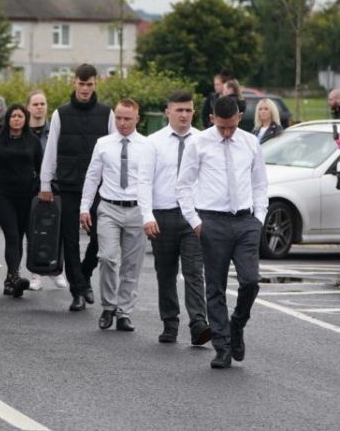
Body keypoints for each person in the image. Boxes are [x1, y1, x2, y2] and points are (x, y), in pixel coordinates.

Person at [177, 95, 268, 369]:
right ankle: (223, 346)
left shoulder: (250, 143)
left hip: (245, 222)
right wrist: (195, 221)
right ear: (212, 119)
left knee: (250, 281)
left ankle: (237, 324)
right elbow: (183, 185)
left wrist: (259, 218)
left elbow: (260, 183)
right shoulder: (198, 143)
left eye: (231, 126)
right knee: (214, 286)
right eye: (221, 127)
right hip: (212, 222)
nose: (227, 132)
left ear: (239, 117)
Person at [38, 63, 115, 311]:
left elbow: (113, 150)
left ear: (95, 84)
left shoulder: (107, 114)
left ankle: (84, 274)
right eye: (81, 84)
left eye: (89, 84)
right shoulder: (61, 113)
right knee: (69, 240)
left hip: (99, 188)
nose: (84, 88)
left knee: (99, 238)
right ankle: (78, 291)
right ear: (75, 83)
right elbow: (51, 150)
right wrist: (45, 183)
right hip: (68, 185)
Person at [138, 90, 211, 345]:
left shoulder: (203, 141)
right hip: (163, 215)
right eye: (179, 110)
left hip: (193, 217)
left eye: (189, 110)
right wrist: (147, 215)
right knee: (166, 273)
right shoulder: (153, 142)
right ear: (167, 111)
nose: (184, 115)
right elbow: (144, 181)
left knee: (194, 271)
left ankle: (198, 324)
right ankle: (170, 322)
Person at [80, 99, 152, 332]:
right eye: (118, 118)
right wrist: (84, 207)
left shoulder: (147, 146)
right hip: (109, 208)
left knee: (131, 265)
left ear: (137, 119)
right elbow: (92, 176)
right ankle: (108, 306)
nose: (122, 123)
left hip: (136, 210)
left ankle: (124, 312)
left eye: (127, 119)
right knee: (108, 257)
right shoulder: (103, 144)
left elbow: (151, 182)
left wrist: (150, 213)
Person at [0, 104, 42, 296]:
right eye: (13, 116)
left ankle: (10, 280)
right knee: (12, 235)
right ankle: (14, 276)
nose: (17, 119)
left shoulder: (33, 142)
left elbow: (41, 167)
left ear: (25, 119)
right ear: (8, 119)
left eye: (20, 116)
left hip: (27, 196)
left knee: (20, 237)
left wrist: (39, 190)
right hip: (3, 195)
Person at [24, 90, 66, 291]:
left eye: (43, 103)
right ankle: (35, 272)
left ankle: (57, 270)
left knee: (55, 228)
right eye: (36, 104)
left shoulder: (54, 130)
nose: (40, 107)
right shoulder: (24, 132)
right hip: (29, 186)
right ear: (28, 107)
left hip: (52, 185)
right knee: (33, 230)